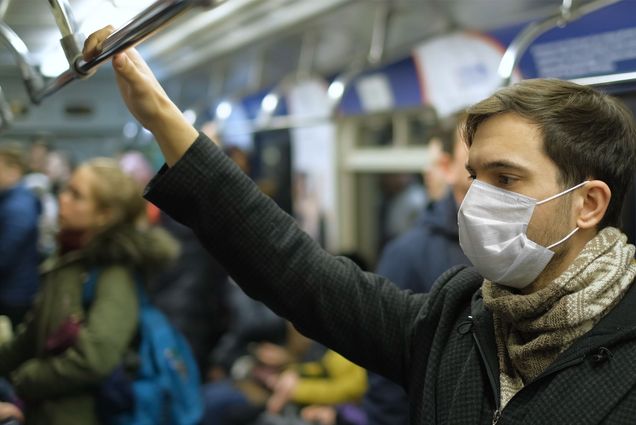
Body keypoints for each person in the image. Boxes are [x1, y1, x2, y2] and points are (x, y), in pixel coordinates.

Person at [85, 27, 636, 424]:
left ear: (588, 204)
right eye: (474, 175)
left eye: (506, 179)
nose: (475, 198)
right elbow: (298, 273)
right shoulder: (457, 315)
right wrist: (162, 117)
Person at [0, 157, 179, 424]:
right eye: (66, 190)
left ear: (104, 214)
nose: (63, 199)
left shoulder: (114, 271)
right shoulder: (68, 260)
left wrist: (29, 378)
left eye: (76, 195)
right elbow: (32, 336)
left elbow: (96, 358)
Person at [363, 123, 471, 425]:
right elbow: (387, 372)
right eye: (474, 151)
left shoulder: (520, 246)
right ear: (448, 167)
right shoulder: (408, 253)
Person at [0, 144, 41, 329]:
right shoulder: (12, 200)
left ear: (14, 169)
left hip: (14, 293)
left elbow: (5, 253)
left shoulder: (18, 207)